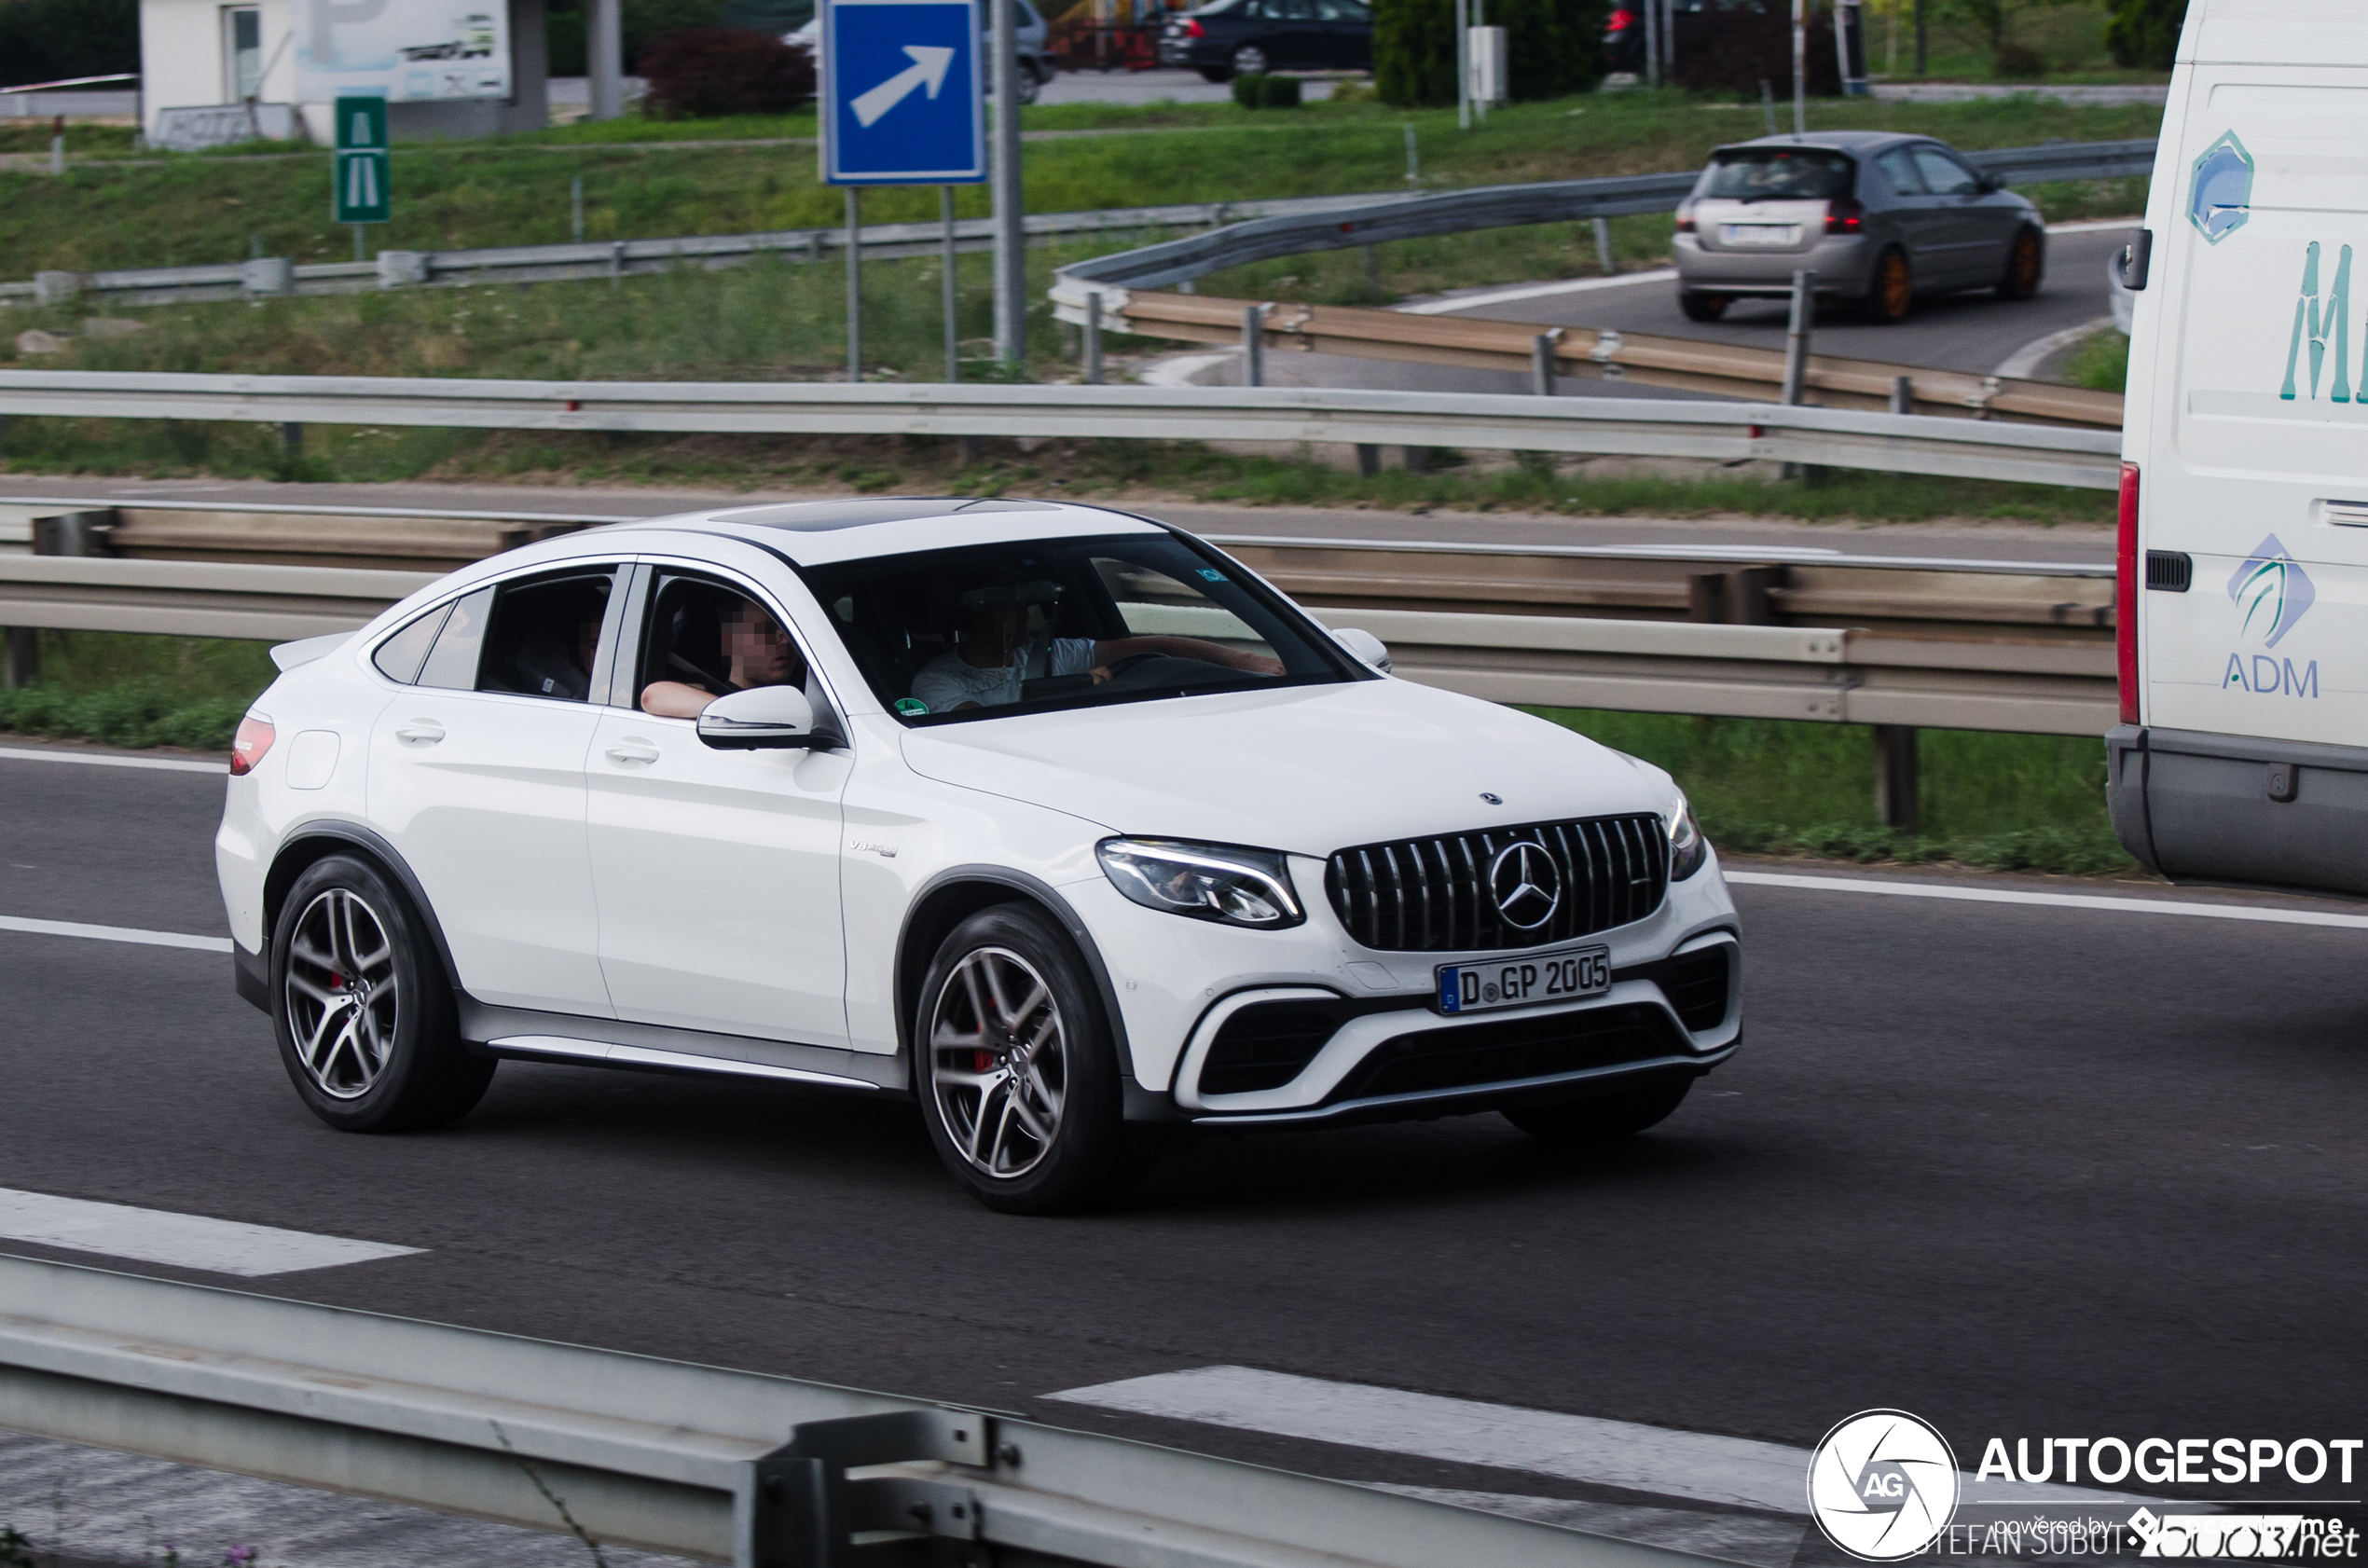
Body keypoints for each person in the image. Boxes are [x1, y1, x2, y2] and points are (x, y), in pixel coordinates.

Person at [908, 578, 1284, 713]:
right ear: (972, 616)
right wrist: (1083, 684)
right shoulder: (938, 683)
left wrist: (1246, 660)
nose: (1020, 616)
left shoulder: (1057, 654)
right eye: (1004, 607)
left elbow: (1156, 646)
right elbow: (982, 732)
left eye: (1022, 606)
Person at [641, 594, 806, 718]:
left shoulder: (817, 693)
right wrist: (739, 713)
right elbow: (652, 696)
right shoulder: (711, 692)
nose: (786, 640)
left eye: (790, 630)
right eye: (768, 630)